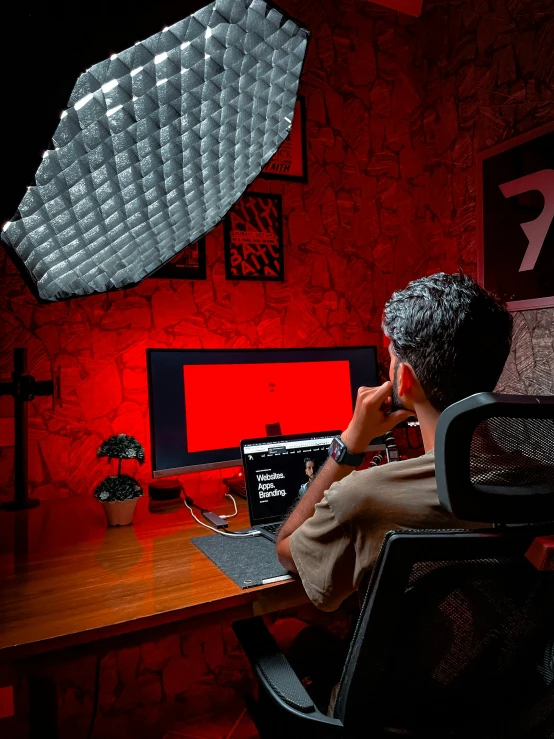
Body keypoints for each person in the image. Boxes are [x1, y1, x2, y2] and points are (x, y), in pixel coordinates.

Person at [276, 272, 513, 612]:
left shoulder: (365, 496)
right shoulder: (538, 480)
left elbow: (288, 551)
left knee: (286, 631)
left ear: (404, 380)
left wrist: (349, 445)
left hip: (404, 665)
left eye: (391, 358)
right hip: (506, 660)